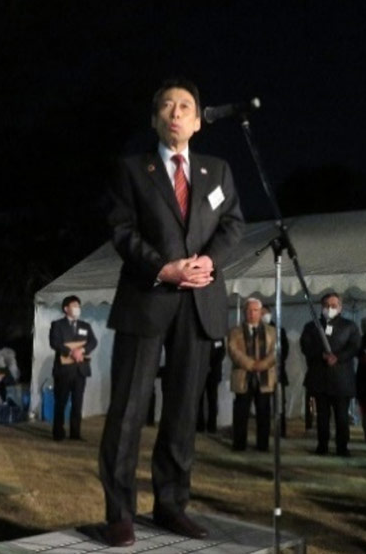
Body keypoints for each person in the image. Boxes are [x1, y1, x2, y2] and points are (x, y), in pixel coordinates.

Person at [98, 78, 244, 547]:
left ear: (199, 121)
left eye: (185, 106)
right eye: (166, 105)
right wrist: (164, 268)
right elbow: (121, 230)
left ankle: (171, 505)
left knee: (182, 411)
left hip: (199, 303)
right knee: (128, 411)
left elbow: (233, 224)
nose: (176, 112)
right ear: (155, 119)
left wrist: (209, 261)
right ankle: (119, 511)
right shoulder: (131, 170)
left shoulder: (216, 171)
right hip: (147, 297)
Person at [300, 293, 361, 457]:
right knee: (322, 416)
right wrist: (320, 354)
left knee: (342, 417)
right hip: (320, 379)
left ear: (340, 307)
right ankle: (322, 445)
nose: (330, 308)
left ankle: (342, 446)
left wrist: (338, 357)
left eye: (334, 305)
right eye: (327, 305)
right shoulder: (312, 326)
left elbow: (354, 346)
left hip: (341, 380)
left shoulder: (350, 326)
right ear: (322, 306)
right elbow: (305, 346)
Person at [228, 298, 276, 451]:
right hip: (243, 377)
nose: (252, 313)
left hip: (264, 378)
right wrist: (251, 365)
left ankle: (262, 445)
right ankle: (239, 444)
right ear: (244, 312)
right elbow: (233, 351)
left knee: (264, 413)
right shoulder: (235, 331)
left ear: (261, 312)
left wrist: (262, 365)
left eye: (255, 310)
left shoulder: (271, 331)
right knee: (241, 413)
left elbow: (276, 352)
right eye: (249, 310)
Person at [49, 295, 97, 441]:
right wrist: (71, 352)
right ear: (66, 308)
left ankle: (75, 433)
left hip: (80, 370)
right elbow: (55, 342)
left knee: (77, 403)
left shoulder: (85, 326)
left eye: (78, 306)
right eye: (74, 305)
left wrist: (81, 351)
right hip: (64, 371)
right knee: (61, 402)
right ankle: (58, 432)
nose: (77, 308)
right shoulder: (57, 325)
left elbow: (93, 342)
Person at [261, 305, 290, 437]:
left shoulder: (279, 330)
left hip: (277, 373)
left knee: (279, 405)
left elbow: (284, 351)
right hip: (261, 373)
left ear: (270, 314)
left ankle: (281, 430)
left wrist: (272, 362)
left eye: (265, 313)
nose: (263, 316)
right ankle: (265, 431)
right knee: (264, 405)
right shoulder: (256, 330)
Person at [196, 339, 225, 433]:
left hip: (213, 372)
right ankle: (199, 425)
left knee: (212, 399)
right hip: (200, 371)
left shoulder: (218, 336)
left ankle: (212, 426)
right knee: (198, 400)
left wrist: (210, 365)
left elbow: (221, 352)